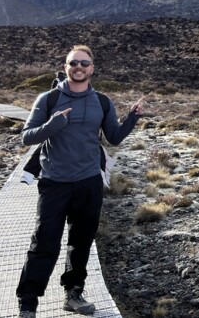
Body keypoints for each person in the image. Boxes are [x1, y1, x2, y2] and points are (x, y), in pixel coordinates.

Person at [16, 45, 145, 317]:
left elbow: (114, 137)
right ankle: (28, 303)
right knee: (44, 242)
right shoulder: (48, 99)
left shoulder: (102, 101)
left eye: (84, 63)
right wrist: (52, 125)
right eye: (73, 63)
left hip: (88, 182)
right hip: (54, 182)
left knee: (81, 240)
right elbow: (27, 137)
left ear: (92, 69)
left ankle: (73, 293)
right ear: (65, 67)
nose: (79, 67)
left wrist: (132, 117)